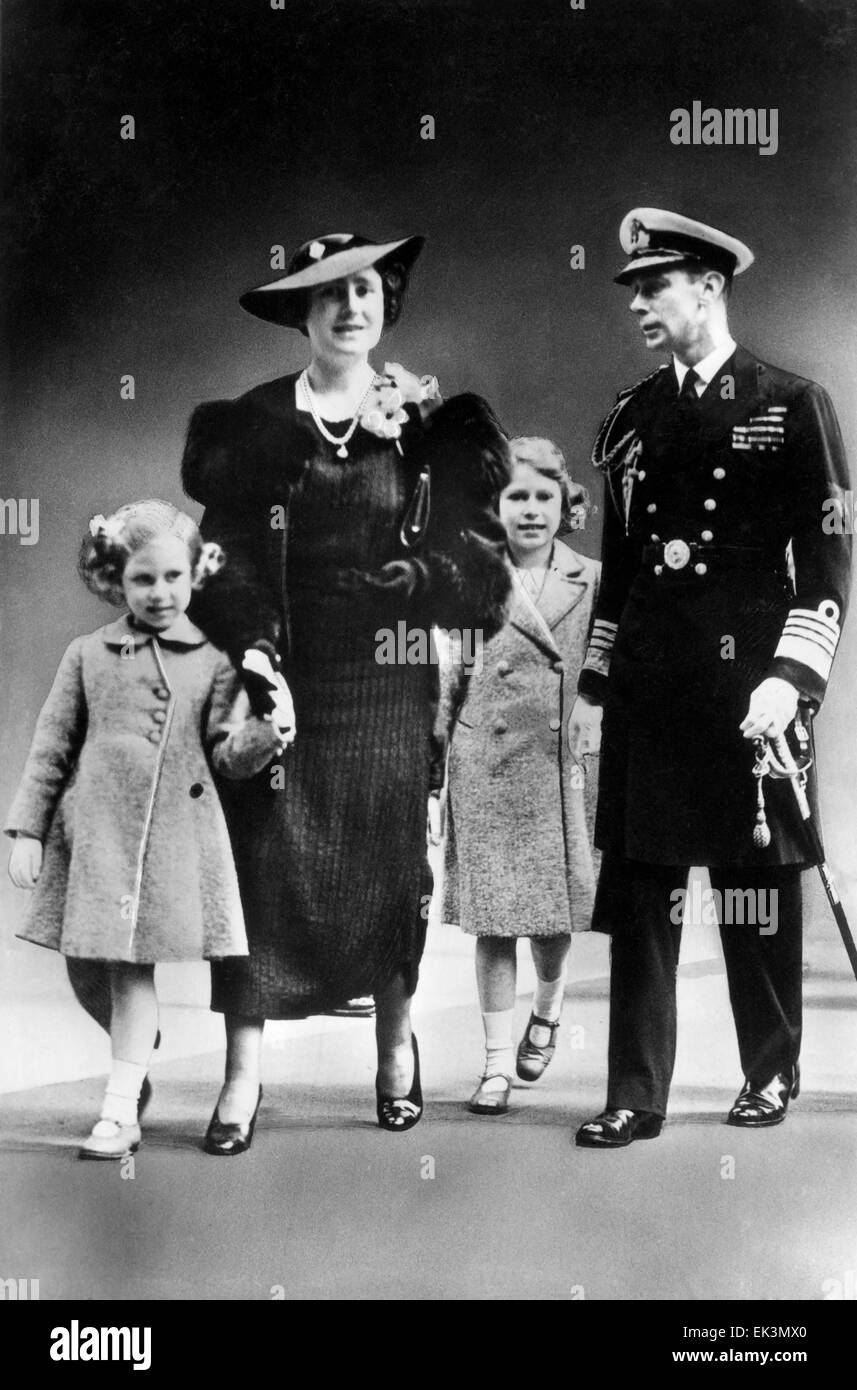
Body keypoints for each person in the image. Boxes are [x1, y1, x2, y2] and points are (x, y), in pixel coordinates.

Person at [182, 231, 511, 1151]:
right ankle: (242, 1080)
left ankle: (395, 1054)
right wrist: (251, 652)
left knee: (388, 864)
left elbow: (476, 566)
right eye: (328, 295)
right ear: (302, 315)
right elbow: (220, 557)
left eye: (365, 290)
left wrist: (418, 581)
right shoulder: (254, 423)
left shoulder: (423, 424)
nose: (349, 307)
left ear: (385, 304)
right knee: (261, 872)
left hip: (388, 680)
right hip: (281, 674)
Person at [570, 208, 851, 1147]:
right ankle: (634, 1092)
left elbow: (827, 562)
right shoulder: (630, 415)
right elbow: (619, 563)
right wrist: (596, 681)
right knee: (643, 890)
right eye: (634, 291)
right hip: (653, 682)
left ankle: (769, 1073)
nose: (640, 304)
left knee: (752, 885)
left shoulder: (791, 400)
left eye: (654, 286)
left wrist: (791, 680)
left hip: (748, 688)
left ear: (709, 286)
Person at [4, 500, 284, 1159]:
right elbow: (52, 744)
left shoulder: (213, 660)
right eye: (142, 580)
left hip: (168, 842)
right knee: (86, 968)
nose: (159, 593)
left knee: (131, 974)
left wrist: (267, 733)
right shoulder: (87, 654)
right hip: (93, 836)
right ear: (114, 580)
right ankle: (136, 1054)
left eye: (172, 578)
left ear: (195, 577)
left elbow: (228, 754)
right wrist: (28, 830)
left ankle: (119, 1110)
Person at [441, 438, 600, 1114]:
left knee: (552, 919)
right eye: (515, 497)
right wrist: (433, 766)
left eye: (542, 496)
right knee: (492, 921)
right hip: (483, 761)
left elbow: (606, 672)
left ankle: (550, 1007)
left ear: (565, 503)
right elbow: (444, 677)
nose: (530, 510)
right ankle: (495, 1066)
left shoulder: (592, 579)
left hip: (558, 765)